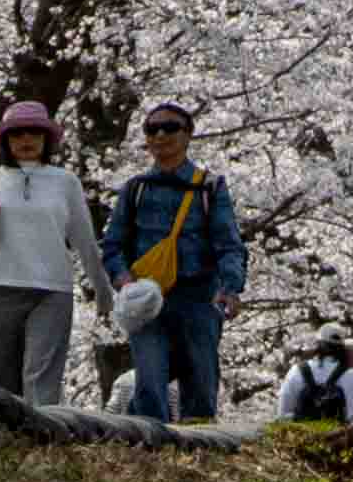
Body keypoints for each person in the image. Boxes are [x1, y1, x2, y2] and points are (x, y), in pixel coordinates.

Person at [94, 101, 248, 427]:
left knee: (201, 382)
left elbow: (229, 245)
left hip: (199, 297)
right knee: (149, 380)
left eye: (170, 127)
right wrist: (124, 282)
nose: (161, 135)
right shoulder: (135, 189)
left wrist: (230, 288)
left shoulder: (210, 187)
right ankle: (151, 461)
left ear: (188, 134)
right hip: (147, 300)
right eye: (152, 129)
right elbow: (112, 245)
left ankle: (199, 460)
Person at [0, 97, 88, 405]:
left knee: (42, 378)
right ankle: (5, 447)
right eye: (17, 134)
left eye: (34, 133)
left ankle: (45, 444)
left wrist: (103, 289)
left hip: (53, 290)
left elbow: (84, 238)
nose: (26, 140)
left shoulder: (65, 181)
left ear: (46, 139)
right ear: (5, 140)